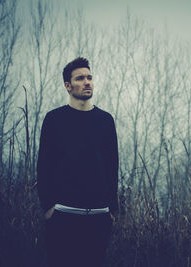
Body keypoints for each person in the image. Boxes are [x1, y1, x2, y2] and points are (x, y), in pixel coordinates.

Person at [36, 57, 119, 267]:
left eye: (89, 77)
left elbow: (112, 166)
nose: (87, 82)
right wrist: (48, 207)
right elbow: (44, 166)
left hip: (98, 219)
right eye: (80, 78)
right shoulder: (54, 119)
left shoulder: (106, 120)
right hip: (63, 216)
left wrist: (111, 209)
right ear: (68, 85)